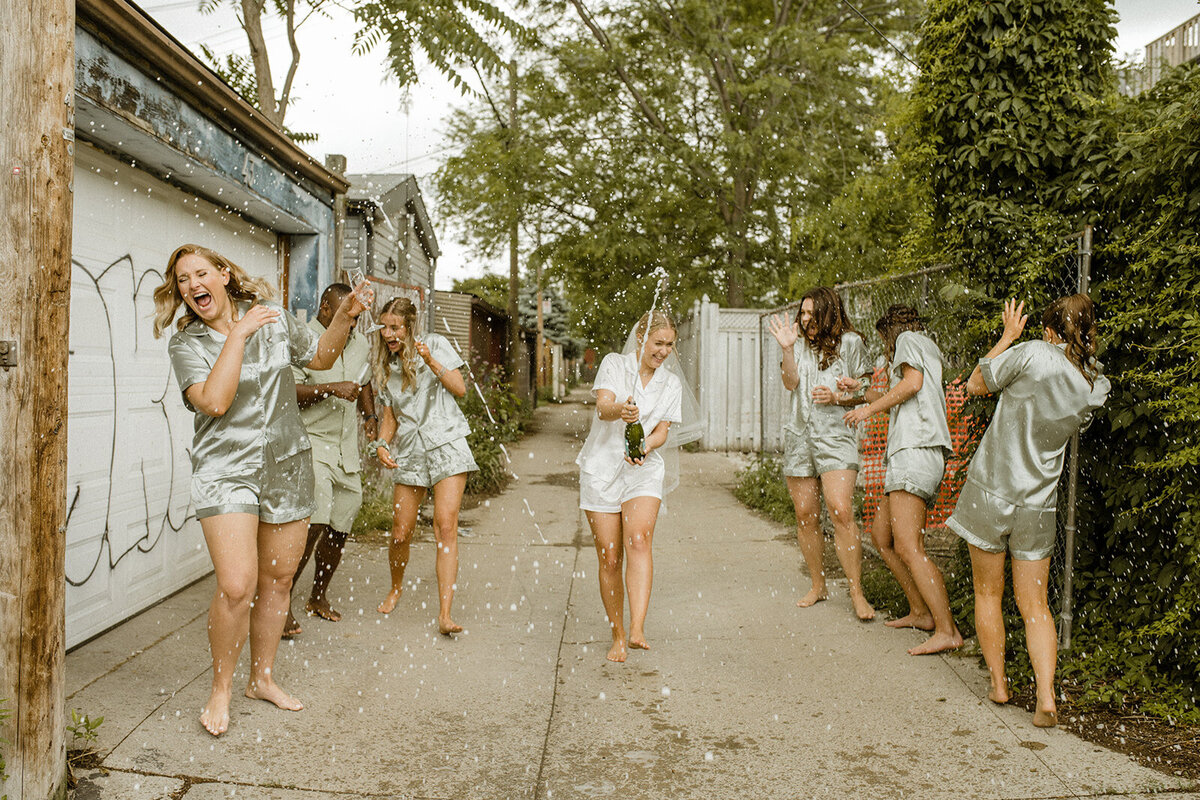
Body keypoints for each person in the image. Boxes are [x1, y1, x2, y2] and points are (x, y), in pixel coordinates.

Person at [152, 244, 370, 736]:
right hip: (226, 469)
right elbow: (214, 401)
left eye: (200, 274)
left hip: (287, 463)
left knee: (276, 580)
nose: (191, 286)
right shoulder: (185, 344)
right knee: (236, 585)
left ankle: (262, 679)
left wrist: (347, 316)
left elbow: (319, 356)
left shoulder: (269, 318)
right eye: (182, 280)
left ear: (224, 275)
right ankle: (221, 688)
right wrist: (239, 334)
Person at [946, 296, 1110, 728]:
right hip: (1038, 504)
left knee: (988, 593)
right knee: (1036, 605)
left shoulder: (1032, 352)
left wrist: (1008, 336)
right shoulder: (1092, 383)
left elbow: (977, 385)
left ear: (1050, 331)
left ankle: (999, 684)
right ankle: (1045, 695)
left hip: (991, 490)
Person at [577, 310, 699, 662]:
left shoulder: (670, 383)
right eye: (658, 343)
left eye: (669, 345)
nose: (663, 351)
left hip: (643, 467)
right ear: (642, 338)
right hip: (601, 467)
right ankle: (616, 633)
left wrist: (646, 445)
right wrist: (621, 411)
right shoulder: (615, 364)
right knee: (611, 556)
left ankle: (637, 628)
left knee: (639, 540)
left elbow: (661, 430)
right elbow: (602, 408)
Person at [842, 305, 962, 655]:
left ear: (892, 329)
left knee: (910, 547)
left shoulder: (909, 338)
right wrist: (861, 392)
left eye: (884, 340)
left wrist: (867, 410)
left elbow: (912, 384)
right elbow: (901, 397)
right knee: (882, 536)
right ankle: (921, 612)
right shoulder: (921, 347)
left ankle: (947, 629)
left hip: (916, 451)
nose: (885, 349)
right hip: (906, 453)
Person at [369, 297, 477, 635]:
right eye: (384, 327)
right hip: (412, 451)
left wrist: (430, 361)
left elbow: (459, 389)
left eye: (395, 327)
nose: (388, 333)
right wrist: (382, 444)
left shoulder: (434, 344)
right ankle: (396, 586)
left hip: (446, 443)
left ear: (410, 326)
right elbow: (390, 417)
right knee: (401, 532)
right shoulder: (386, 364)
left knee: (445, 527)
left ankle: (445, 614)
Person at [767, 287, 875, 620]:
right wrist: (787, 350)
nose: (806, 319)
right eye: (803, 313)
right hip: (800, 437)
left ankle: (857, 593)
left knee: (841, 511)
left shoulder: (852, 344)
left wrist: (841, 397)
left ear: (830, 312)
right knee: (805, 515)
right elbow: (790, 383)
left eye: (813, 313)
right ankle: (818, 585)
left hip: (836, 437)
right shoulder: (797, 345)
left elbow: (870, 392)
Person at [283, 282, 378, 637]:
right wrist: (329, 388)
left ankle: (317, 597)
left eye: (355, 319)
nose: (350, 325)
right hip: (312, 444)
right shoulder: (302, 340)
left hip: (346, 450)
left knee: (340, 526)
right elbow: (288, 393)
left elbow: (364, 382)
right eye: (345, 315)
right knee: (314, 525)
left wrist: (370, 417)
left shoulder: (360, 342)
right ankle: (282, 604)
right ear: (326, 307)